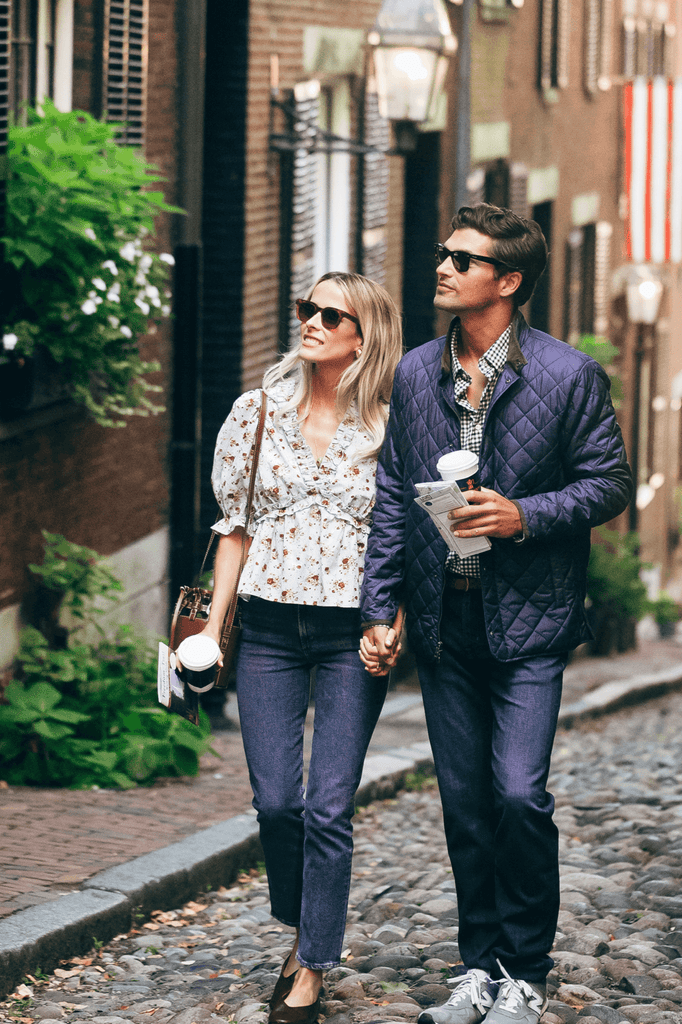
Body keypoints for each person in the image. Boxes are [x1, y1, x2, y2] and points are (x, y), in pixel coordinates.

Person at [359, 205, 633, 1024]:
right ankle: (478, 968)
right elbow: (391, 498)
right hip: (443, 622)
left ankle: (526, 972)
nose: (443, 268)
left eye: (463, 260)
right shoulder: (416, 373)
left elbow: (609, 483)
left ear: (508, 281)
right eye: (444, 253)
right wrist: (381, 607)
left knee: (517, 794)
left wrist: (523, 516)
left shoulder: (568, 375)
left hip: (530, 621)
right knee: (466, 805)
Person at [200, 271, 403, 1024]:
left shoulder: (391, 427)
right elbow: (234, 529)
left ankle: (311, 964)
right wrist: (214, 629)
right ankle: (304, 917)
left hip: (352, 633)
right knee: (277, 802)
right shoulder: (256, 413)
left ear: (364, 335)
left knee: (329, 806)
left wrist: (392, 621)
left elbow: (403, 538)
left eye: (331, 314)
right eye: (306, 308)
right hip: (269, 631)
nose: (311, 321)